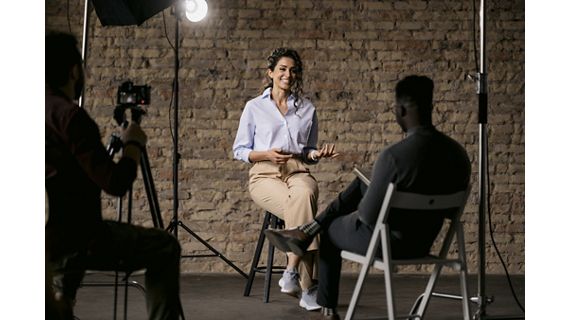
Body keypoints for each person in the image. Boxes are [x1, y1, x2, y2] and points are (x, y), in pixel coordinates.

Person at [264, 75, 471, 319]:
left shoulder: (394, 157)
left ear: (400, 110)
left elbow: (368, 216)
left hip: (389, 244)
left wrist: (372, 198)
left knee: (330, 229)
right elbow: (449, 211)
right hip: (426, 242)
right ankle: (309, 229)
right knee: (364, 183)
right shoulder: (457, 154)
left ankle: (326, 303)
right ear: (430, 107)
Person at [45, 32, 182, 320]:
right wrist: (132, 144)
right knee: (165, 245)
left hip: (51, 237)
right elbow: (115, 183)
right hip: (80, 237)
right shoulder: (71, 117)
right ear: (73, 70)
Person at [233, 48, 339, 311]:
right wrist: (266, 154)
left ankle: (290, 269)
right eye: (282, 69)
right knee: (306, 213)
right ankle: (306, 289)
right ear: (271, 73)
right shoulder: (254, 107)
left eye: (293, 70)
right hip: (264, 173)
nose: (287, 74)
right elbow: (240, 150)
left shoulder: (307, 109)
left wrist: (316, 154)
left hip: (298, 170)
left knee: (304, 194)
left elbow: (307, 150)